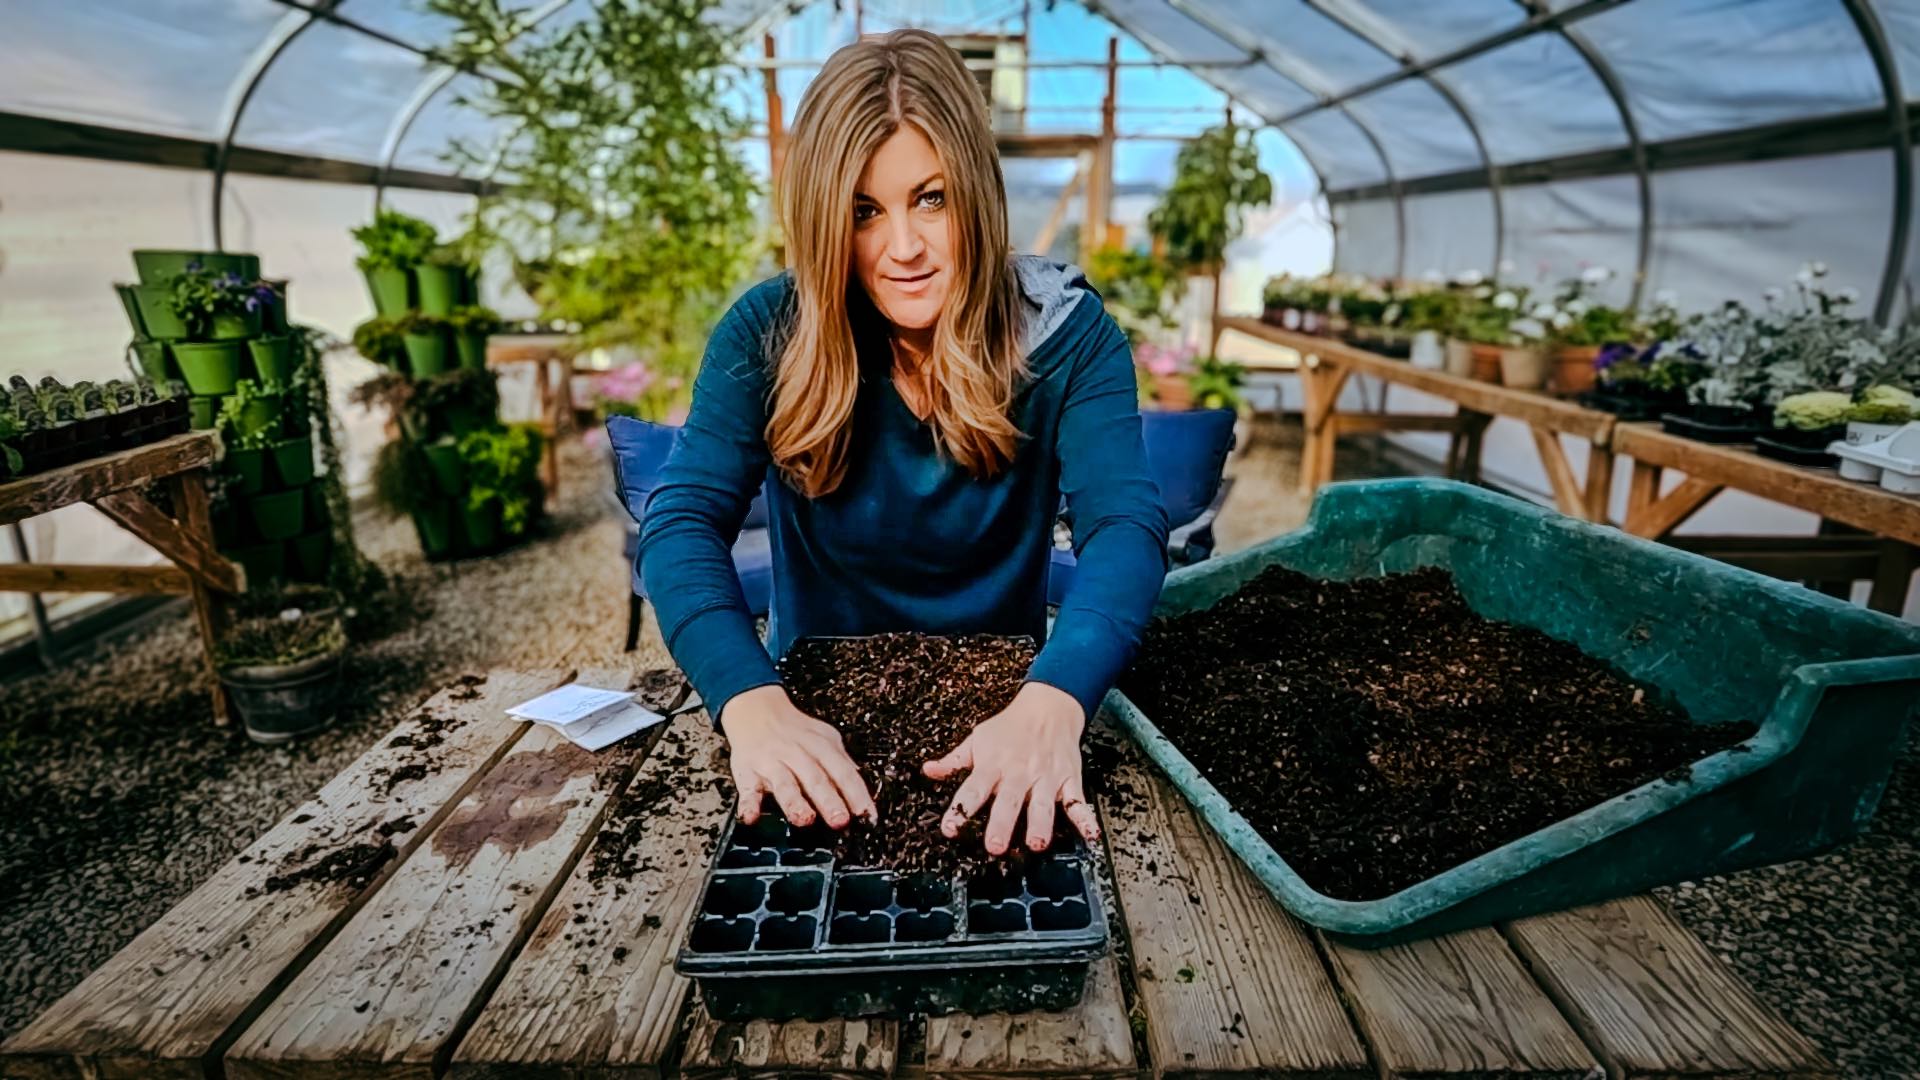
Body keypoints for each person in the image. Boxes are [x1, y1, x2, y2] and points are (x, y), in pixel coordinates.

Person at [639, 27, 1168, 858]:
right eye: (863, 212)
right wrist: (751, 703)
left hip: (1009, 712)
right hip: (810, 715)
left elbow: (1125, 528)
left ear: (977, 195)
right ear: (822, 217)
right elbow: (680, 524)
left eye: (932, 197)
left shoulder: (1067, 335)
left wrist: (1057, 698)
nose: (905, 247)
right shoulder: (765, 333)